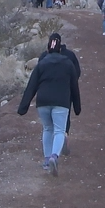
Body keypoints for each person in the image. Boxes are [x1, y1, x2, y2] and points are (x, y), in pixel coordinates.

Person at [18, 33, 81, 176]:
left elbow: (31, 86)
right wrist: (77, 107)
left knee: (47, 129)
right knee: (59, 130)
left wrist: (23, 107)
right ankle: (54, 156)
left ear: (48, 49)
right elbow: (74, 86)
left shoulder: (42, 63)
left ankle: (46, 161)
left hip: (43, 102)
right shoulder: (68, 63)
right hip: (61, 102)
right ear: (60, 49)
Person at [38, 33, 81, 156]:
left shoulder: (44, 56)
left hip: (45, 93)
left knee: (48, 125)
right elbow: (77, 72)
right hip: (65, 91)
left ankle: (49, 154)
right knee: (63, 118)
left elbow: (37, 74)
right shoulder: (70, 55)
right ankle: (64, 135)